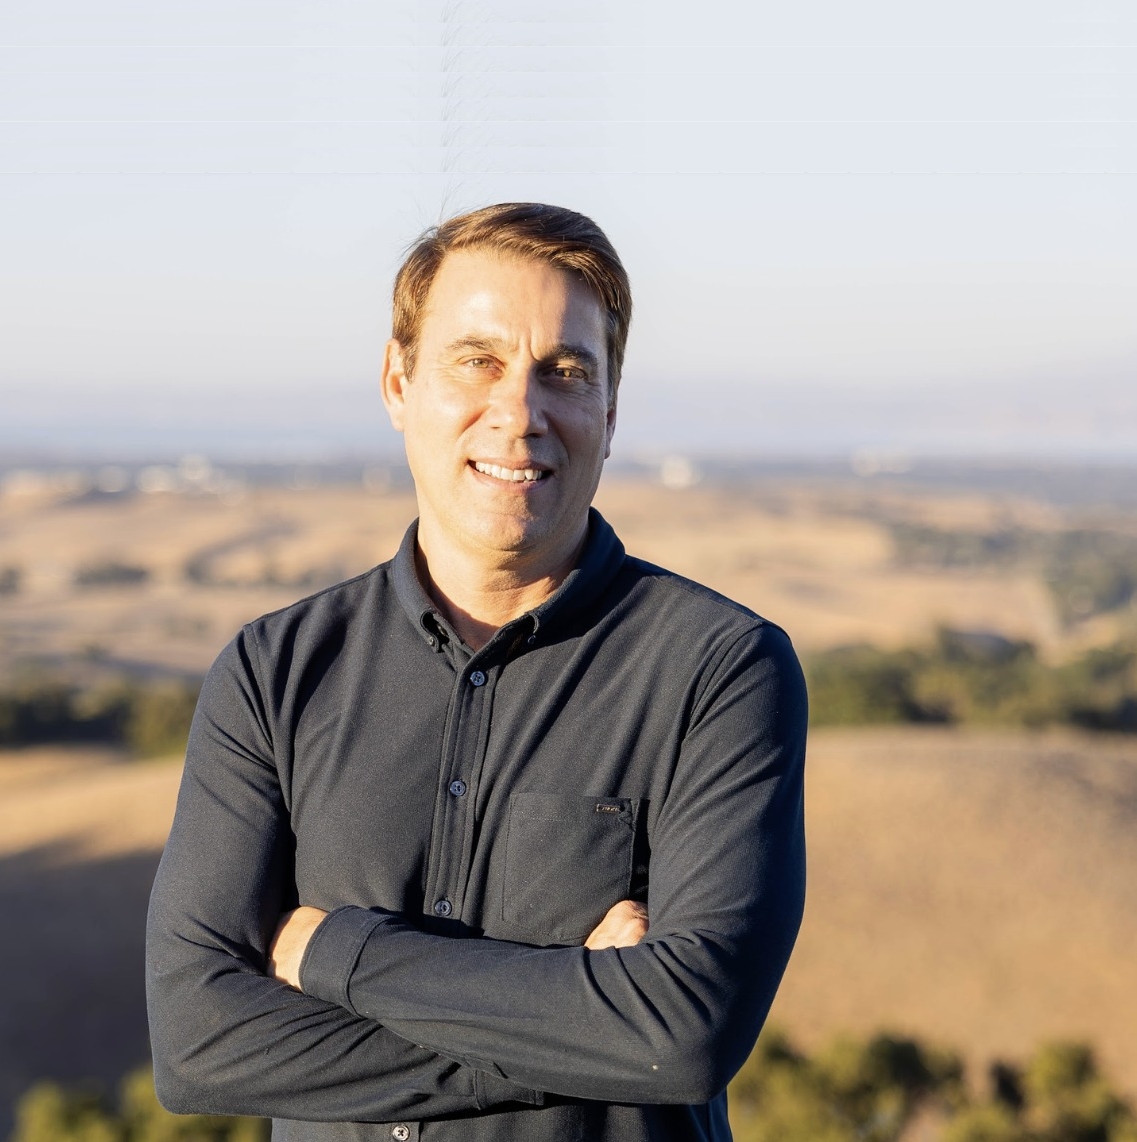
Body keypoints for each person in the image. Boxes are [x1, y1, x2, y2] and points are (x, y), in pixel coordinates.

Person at [146, 202, 807, 1142]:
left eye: (565, 373)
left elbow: (682, 1036)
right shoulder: (273, 672)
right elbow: (198, 1044)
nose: (520, 414)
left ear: (610, 411)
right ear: (398, 381)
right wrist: (581, 1027)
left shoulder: (721, 671)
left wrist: (334, 953)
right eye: (478, 361)